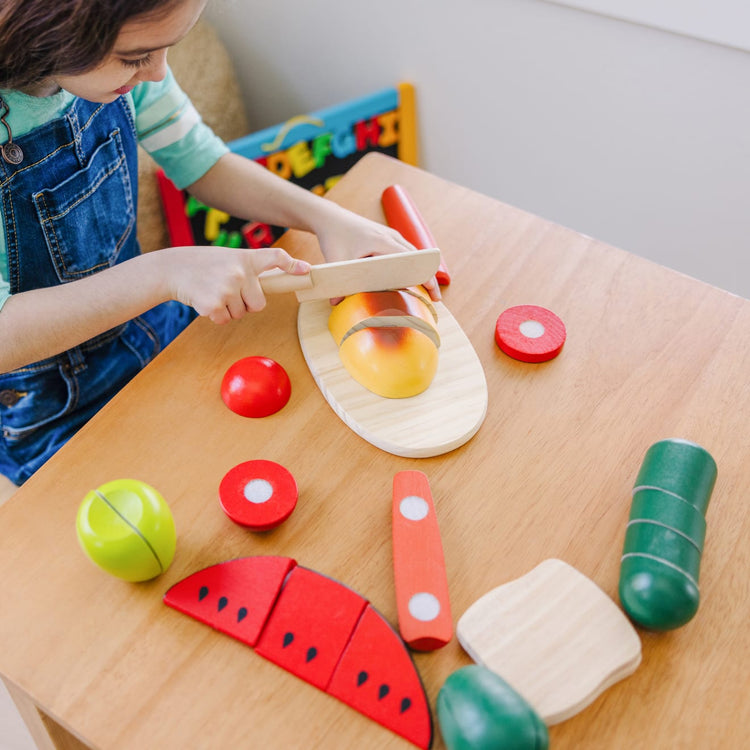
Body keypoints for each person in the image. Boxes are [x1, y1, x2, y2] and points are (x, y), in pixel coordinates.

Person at [0, 0, 439, 485]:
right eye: (135, 57)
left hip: (152, 329)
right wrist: (165, 273)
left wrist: (327, 218)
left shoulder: (125, 70)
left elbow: (200, 160)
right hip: (45, 407)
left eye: (169, 47)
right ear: (47, 24)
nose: (158, 71)